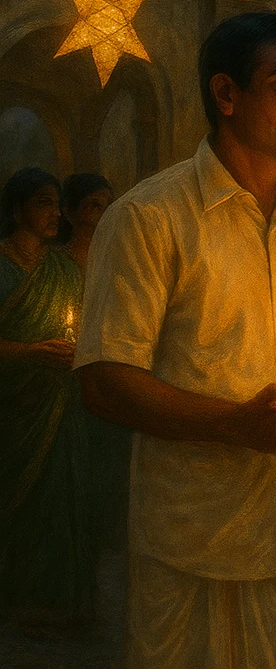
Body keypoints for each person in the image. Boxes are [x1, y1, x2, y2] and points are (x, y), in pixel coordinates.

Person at [75, 11, 276, 668]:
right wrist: (236, 424)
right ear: (226, 95)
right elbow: (104, 382)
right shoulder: (148, 217)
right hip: (195, 547)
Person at [0, 168, 101, 632]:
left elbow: (83, 330)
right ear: (17, 208)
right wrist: (29, 353)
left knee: (61, 499)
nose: (55, 213)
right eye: (43, 202)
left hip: (60, 408)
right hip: (12, 409)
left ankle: (60, 606)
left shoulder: (63, 269)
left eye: (57, 203)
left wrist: (72, 350)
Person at [57, 172, 132, 554]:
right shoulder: (55, 264)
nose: (101, 215)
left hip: (109, 368)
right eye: (92, 206)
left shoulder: (120, 257)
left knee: (111, 458)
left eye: (106, 206)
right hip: (62, 379)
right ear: (69, 211)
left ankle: (106, 537)